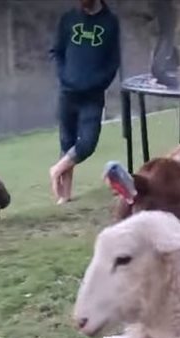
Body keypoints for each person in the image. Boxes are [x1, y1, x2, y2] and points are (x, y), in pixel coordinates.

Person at [49, 0, 120, 204]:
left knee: (87, 143)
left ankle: (55, 170)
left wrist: (98, 82)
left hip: (92, 95)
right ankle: (65, 197)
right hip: (67, 91)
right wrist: (64, 77)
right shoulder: (69, 19)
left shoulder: (110, 23)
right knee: (66, 142)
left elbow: (113, 61)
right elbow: (57, 52)